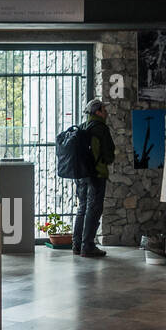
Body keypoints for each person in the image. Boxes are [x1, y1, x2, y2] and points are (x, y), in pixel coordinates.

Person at [73, 98, 115, 258]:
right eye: (104, 109)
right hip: (96, 174)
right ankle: (88, 246)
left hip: (81, 175)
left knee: (82, 207)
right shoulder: (100, 128)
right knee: (94, 208)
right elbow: (109, 154)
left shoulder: (83, 126)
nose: (106, 112)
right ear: (97, 112)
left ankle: (77, 245)